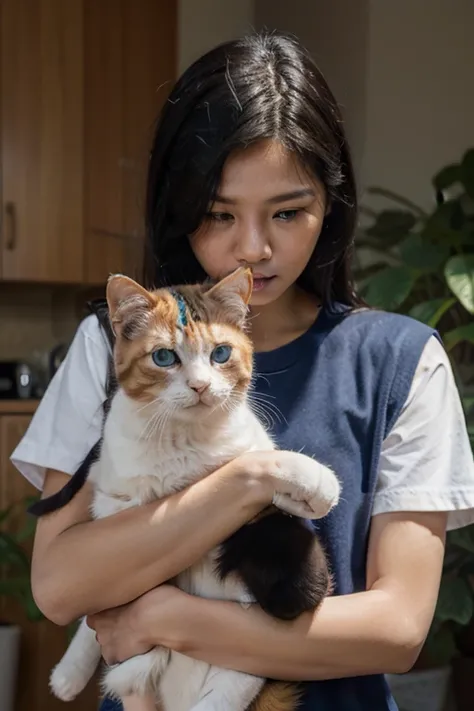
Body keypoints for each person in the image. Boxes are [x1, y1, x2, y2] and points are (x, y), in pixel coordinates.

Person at [11, 31, 474, 711]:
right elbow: (59, 584)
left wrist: (165, 619)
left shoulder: (401, 363)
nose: (253, 248)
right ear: (178, 206)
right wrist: (252, 480)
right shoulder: (107, 349)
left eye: (288, 211)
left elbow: (396, 629)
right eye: (218, 213)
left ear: (331, 203)